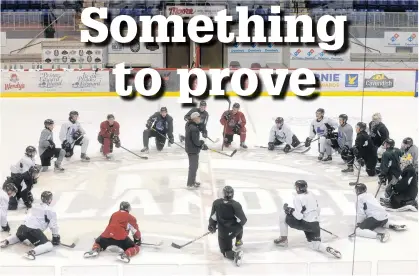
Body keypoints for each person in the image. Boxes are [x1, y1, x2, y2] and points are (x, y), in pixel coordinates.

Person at [274, 180, 341, 259]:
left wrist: (289, 210)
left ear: (298, 188)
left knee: (283, 214)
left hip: (305, 223)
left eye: (296, 187)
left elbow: (299, 217)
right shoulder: (311, 194)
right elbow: (318, 209)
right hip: (315, 224)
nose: (295, 188)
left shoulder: (297, 198)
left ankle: (283, 239)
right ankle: (328, 249)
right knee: (316, 245)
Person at [0, 191, 60, 260]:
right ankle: (31, 252)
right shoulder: (51, 210)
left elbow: (28, 217)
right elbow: (53, 225)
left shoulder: (35, 206)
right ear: (50, 200)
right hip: (33, 231)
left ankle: (6, 241)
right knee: (49, 246)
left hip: (23, 227)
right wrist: (55, 237)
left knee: (19, 236)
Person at [208, 186, 246, 267]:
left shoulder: (216, 203)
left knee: (225, 252)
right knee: (240, 226)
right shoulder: (236, 204)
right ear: (233, 194)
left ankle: (235, 255)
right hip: (235, 230)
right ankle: (238, 241)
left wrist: (212, 226)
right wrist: (233, 224)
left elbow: (213, 217)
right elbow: (243, 220)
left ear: (223, 194)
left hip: (224, 234)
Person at [184, 112, 208, 188]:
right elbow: (196, 142)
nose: (200, 118)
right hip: (192, 150)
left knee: (194, 166)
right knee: (193, 167)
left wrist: (200, 144)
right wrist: (202, 144)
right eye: (199, 117)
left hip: (190, 149)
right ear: (195, 118)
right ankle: (190, 184)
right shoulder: (194, 129)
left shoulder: (190, 125)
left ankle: (192, 181)